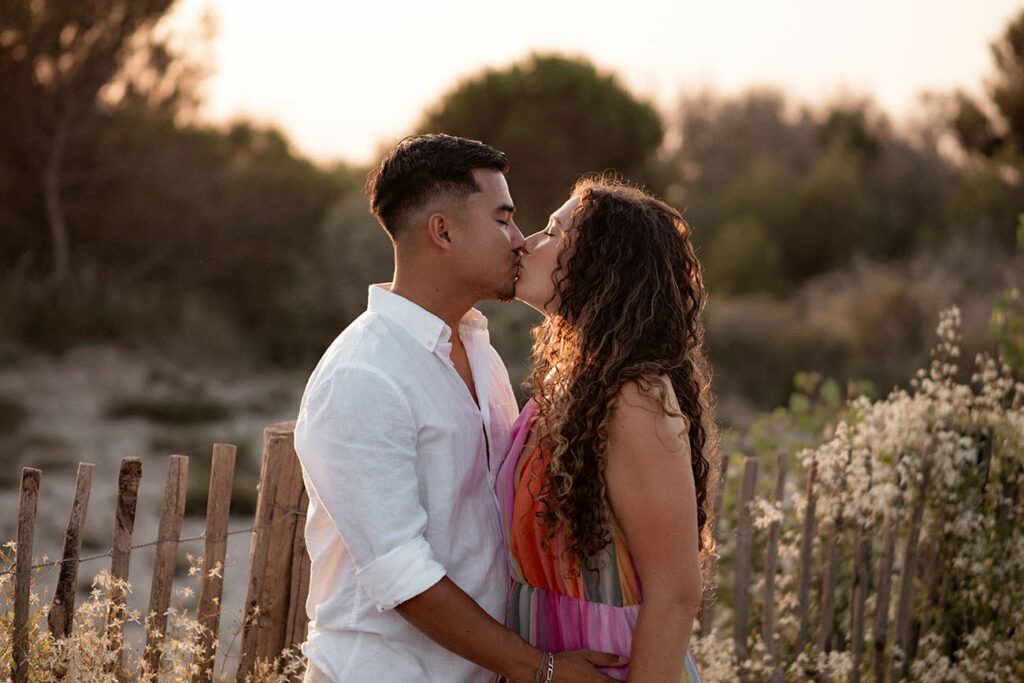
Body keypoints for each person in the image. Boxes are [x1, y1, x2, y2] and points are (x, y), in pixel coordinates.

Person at [293, 134, 624, 682]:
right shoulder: (363, 375)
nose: (521, 241)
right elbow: (402, 576)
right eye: (503, 219)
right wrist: (540, 669)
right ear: (442, 230)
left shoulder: (480, 350)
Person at [497, 177, 716, 682]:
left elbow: (676, 591)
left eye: (552, 231)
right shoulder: (567, 380)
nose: (526, 242)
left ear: (601, 263)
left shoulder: (634, 397)